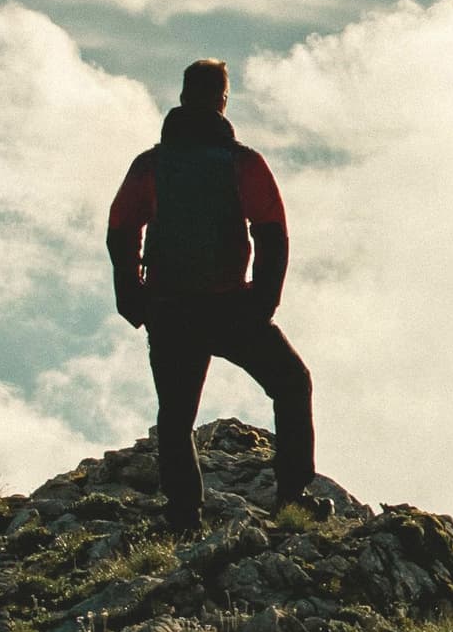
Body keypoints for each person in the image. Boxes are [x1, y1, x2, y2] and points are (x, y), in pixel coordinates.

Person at [107, 58, 314, 529]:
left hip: (169, 307)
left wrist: (132, 298)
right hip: (229, 308)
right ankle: (293, 499)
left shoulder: (151, 165)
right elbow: (272, 233)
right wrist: (262, 304)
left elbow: (120, 230)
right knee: (291, 384)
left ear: (182, 98)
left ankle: (184, 515)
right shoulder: (242, 162)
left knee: (176, 417)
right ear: (223, 100)